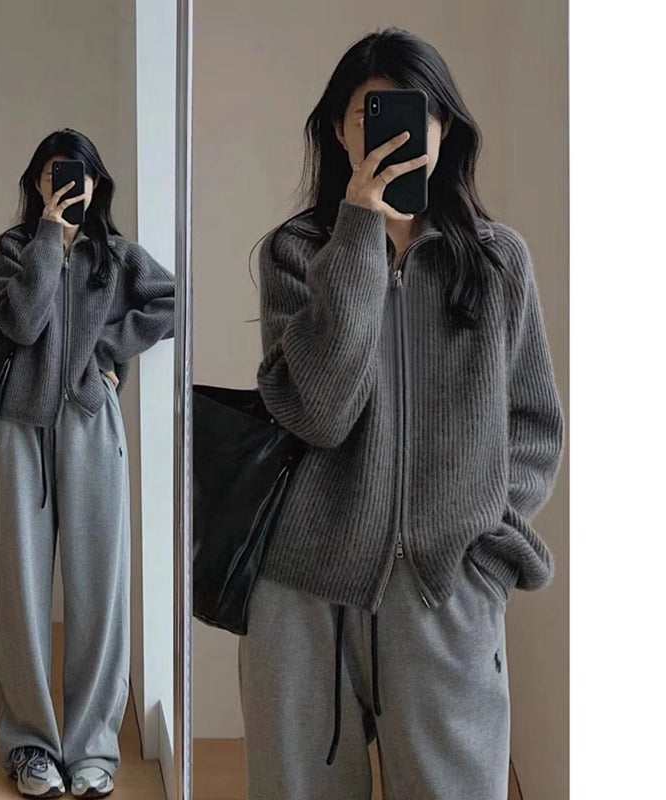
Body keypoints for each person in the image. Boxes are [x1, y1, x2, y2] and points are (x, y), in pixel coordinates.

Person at [239, 27, 565, 800]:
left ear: (445, 128)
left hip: (445, 592)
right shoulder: (295, 254)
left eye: (417, 113)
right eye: (370, 114)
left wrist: (483, 552)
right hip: (304, 594)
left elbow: (534, 426)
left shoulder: (498, 261)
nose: (391, 132)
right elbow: (319, 413)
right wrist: (357, 232)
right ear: (339, 130)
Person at [0, 128, 175, 798]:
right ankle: (31, 746)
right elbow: (20, 324)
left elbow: (171, 301)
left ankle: (93, 745)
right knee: (21, 592)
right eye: (54, 173)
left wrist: (108, 351)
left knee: (100, 588)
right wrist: (48, 235)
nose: (67, 183)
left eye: (79, 174)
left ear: (97, 184)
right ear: (38, 183)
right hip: (24, 428)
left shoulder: (117, 256)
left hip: (93, 426)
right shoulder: (15, 248)